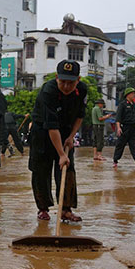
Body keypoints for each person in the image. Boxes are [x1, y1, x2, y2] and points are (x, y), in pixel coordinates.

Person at [28, 60, 86, 222]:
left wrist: (71, 136)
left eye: (71, 83)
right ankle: (43, 209)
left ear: (78, 80)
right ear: (56, 78)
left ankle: (65, 209)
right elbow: (51, 126)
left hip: (66, 130)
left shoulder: (82, 90)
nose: (67, 87)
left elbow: (80, 116)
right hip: (42, 132)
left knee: (67, 169)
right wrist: (61, 153)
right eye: (63, 82)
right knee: (40, 170)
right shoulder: (49, 91)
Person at [112, 87, 135, 169]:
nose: (134, 95)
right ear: (127, 95)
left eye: (134, 93)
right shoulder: (122, 105)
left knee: (134, 145)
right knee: (120, 145)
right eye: (132, 93)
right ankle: (115, 161)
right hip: (124, 128)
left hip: (133, 128)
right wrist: (118, 128)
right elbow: (118, 118)